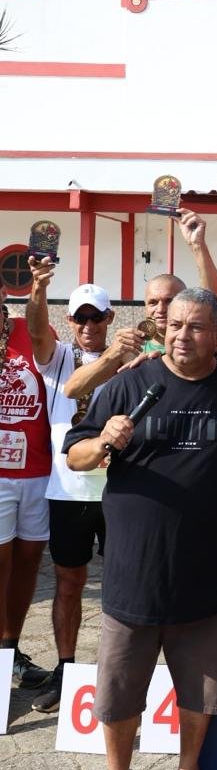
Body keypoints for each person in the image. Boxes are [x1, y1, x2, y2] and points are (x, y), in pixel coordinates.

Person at [64, 288, 217, 770]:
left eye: (196, 327)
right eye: (174, 325)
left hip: (206, 571)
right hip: (133, 571)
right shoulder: (128, 384)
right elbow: (75, 454)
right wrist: (102, 440)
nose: (181, 336)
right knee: (120, 689)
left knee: (201, 688)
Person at [25, 265, 143, 712]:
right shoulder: (58, 357)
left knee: (125, 583)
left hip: (122, 490)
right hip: (69, 490)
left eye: (96, 317)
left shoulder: (131, 358)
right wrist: (38, 287)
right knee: (69, 582)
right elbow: (37, 331)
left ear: (110, 318)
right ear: (70, 321)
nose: (88, 325)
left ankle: (124, 671)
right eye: (80, 318)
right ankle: (67, 669)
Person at [0, 282, 52, 688]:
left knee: (28, 561)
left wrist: (39, 286)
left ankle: (10, 648)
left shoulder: (28, 330)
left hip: (37, 471)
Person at [139, 210, 217, 355]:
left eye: (169, 301)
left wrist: (197, 245)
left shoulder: (196, 345)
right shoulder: (132, 347)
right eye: (153, 302)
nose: (160, 309)